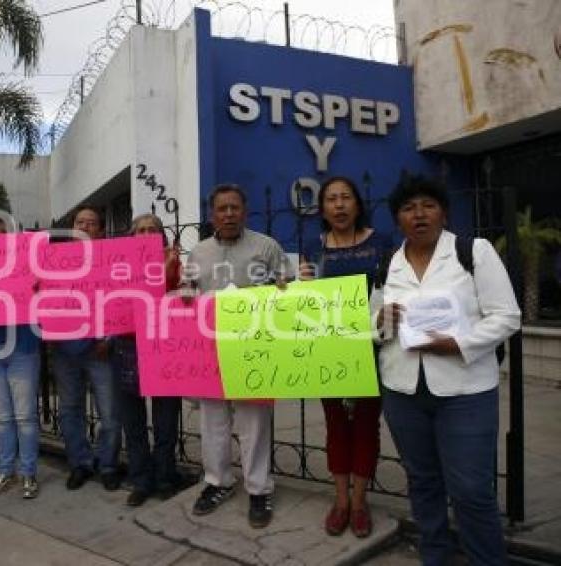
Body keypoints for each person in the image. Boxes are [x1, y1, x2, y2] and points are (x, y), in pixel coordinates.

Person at [371, 175, 520, 565]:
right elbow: (374, 328)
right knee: (422, 483)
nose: (418, 214)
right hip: (402, 391)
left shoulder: (474, 251)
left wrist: (457, 343)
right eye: (408, 208)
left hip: (465, 392)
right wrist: (381, 320)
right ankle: (435, 554)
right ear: (397, 219)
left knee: (472, 490)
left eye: (428, 205)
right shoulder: (389, 262)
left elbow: (507, 317)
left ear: (444, 212)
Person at [184, 184, 289, 529]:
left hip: (252, 348)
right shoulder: (198, 253)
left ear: (244, 211)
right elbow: (188, 293)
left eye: (234, 208)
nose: (228, 214)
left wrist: (283, 288)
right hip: (210, 349)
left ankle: (259, 489)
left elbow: (286, 287)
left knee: (253, 421)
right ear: (212, 214)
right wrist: (184, 297)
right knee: (212, 421)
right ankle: (217, 482)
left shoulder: (267, 246)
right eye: (221, 209)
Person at [300, 176, 391, 538]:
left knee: (367, 425)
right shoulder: (313, 247)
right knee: (336, 424)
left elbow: (390, 291)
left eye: (345, 198)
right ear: (322, 208)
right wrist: (296, 285)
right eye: (331, 199)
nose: (338, 205)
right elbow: (304, 301)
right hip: (329, 350)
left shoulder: (381, 244)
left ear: (357, 204)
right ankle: (340, 501)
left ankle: (359, 501)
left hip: (371, 349)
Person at [110, 214, 184, 507]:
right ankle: (141, 480)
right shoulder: (118, 268)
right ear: (131, 237)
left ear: (162, 236)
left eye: (152, 230)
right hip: (127, 347)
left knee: (166, 419)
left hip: (164, 347)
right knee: (133, 421)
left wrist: (167, 270)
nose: (146, 234)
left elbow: (182, 300)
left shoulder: (177, 265)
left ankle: (165, 476)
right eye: (140, 230)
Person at [51, 206, 121, 491]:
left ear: (101, 231)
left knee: (110, 413)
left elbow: (123, 299)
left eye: (92, 223)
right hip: (64, 349)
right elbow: (43, 297)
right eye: (80, 222)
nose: (86, 227)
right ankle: (79, 463)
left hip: (100, 349)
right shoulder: (52, 261)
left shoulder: (114, 261)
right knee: (69, 409)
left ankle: (107, 465)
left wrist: (110, 338)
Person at [0, 218, 42, 500]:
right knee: (1, 419)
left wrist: (39, 285)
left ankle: (28, 472)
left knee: (25, 416)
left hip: (23, 348)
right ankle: (6, 471)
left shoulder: (29, 263)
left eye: (3, 230)